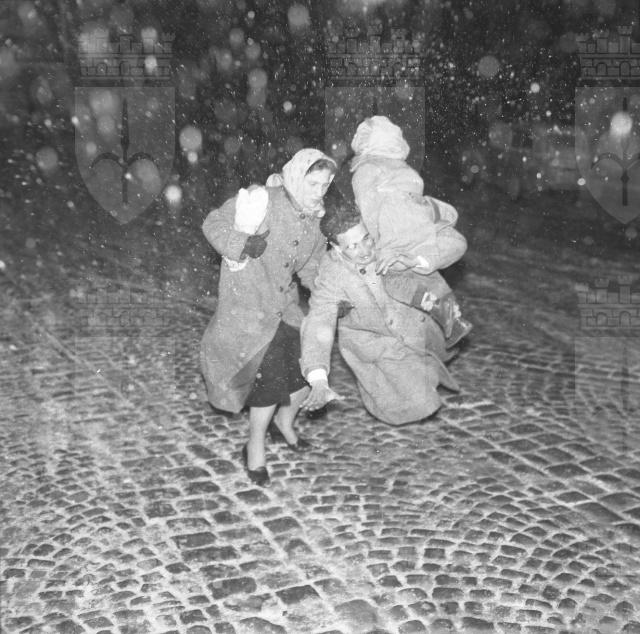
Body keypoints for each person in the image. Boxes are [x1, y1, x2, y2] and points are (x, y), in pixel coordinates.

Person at [200, 148, 337, 486]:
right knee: (270, 380)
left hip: (283, 305)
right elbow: (213, 223)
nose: (318, 192)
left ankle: (284, 424)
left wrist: (331, 295)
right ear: (296, 178)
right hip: (248, 303)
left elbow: (311, 267)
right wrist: (242, 243)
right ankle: (254, 445)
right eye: (312, 183)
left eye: (325, 185)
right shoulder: (262, 199)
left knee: (306, 367)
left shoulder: (316, 219)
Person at [300, 193, 460, 425]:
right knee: (416, 400)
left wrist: (417, 260)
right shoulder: (332, 273)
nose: (365, 251)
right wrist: (318, 378)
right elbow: (318, 321)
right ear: (336, 247)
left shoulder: (389, 236)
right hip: (374, 341)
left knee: (428, 375)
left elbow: (452, 241)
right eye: (353, 246)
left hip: (413, 326)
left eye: (366, 239)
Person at [350, 115, 472, 348]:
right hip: (421, 227)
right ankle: (452, 314)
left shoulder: (365, 170)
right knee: (428, 270)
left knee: (392, 276)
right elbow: (415, 197)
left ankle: (433, 304)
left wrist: (376, 244)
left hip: (395, 228)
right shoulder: (405, 168)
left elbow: (369, 209)